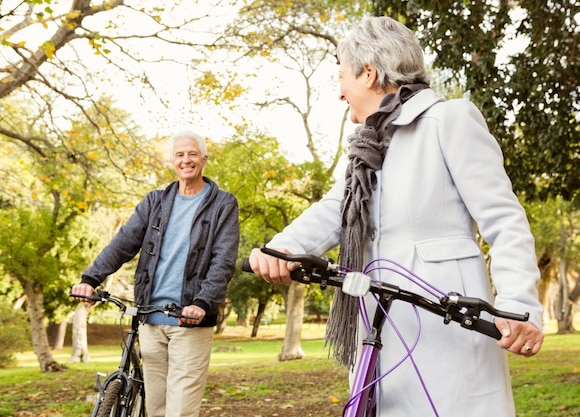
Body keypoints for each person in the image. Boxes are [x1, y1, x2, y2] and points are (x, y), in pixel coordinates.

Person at [246, 16, 544, 417]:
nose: (339, 93)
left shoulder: (447, 120)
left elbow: (505, 221)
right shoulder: (363, 151)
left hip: (446, 326)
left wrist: (518, 306)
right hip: (379, 328)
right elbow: (334, 210)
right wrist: (281, 248)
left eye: (342, 77)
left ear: (368, 74)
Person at [71, 129, 239, 417]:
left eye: (192, 154)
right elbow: (122, 244)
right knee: (156, 409)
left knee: (181, 410)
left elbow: (222, 261)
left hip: (190, 320)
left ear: (204, 159)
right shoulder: (155, 202)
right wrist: (90, 279)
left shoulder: (223, 204)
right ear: (173, 162)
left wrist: (202, 303)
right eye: (180, 155)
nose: (186, 160)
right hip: (149, 318)